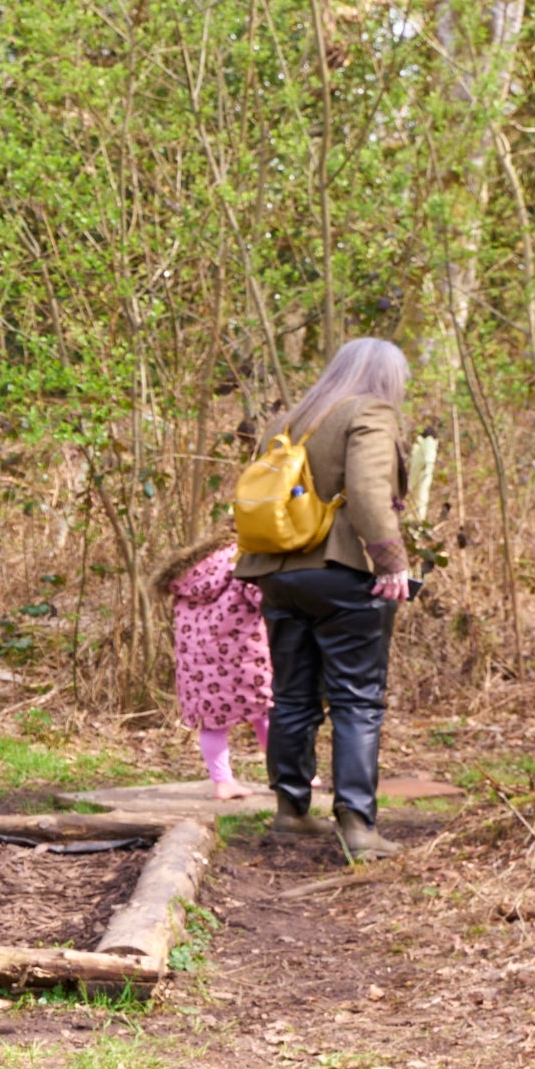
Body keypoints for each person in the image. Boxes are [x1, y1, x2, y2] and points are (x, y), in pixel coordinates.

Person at [233, 337, 414, 862]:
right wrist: (392, 561)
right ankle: (357, 825)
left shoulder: (288, 420)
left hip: (278, 573)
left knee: (293, 696)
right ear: (385, 377)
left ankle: (290, 812)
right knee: (357, 698)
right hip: (339, 571)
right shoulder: (370, 412)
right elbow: (367, 491)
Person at [155, 534, 271, 799]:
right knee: (266, 713)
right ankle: (291, 773)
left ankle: (222, 782)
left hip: (197, 667)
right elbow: (265, 599)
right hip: (247, 659)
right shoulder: (245, 562)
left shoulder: (189, 576)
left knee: (212, 723)